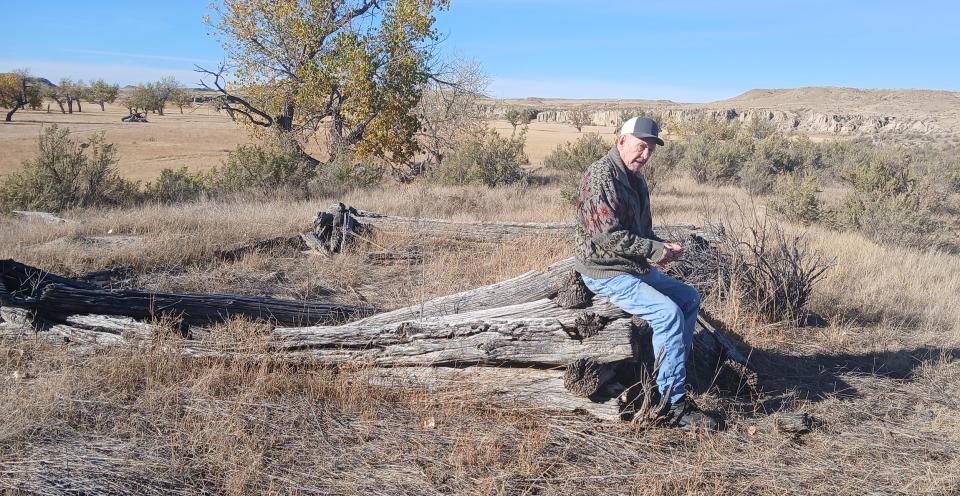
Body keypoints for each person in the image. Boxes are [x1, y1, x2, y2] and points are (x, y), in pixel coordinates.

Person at [573, 116, 723, 430]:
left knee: (688, 299)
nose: (645, 154)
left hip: (631, 266)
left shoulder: (636, 179)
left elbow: (642, 231)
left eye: (650, 150)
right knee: (668, 314)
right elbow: (607, 236)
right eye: (641, 146)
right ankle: (671, 404)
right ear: (621, 141)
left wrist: (661, 247)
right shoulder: (601, 175)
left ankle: (666, 379)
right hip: (605, 269)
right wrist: (654, 251)